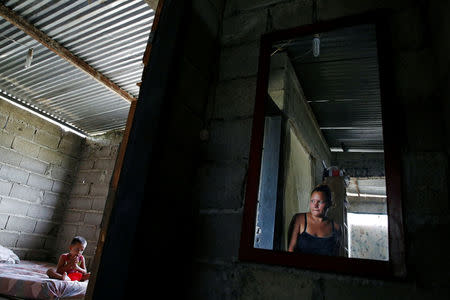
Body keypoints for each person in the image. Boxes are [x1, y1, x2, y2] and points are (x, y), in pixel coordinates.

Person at [287, 184, 342, 256]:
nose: (315, 206)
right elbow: (291, 249)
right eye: (312, 201)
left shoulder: (336, 227)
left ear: (329, 203)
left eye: (320, 202)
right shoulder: (299, 219)